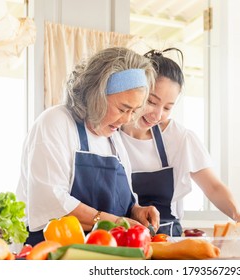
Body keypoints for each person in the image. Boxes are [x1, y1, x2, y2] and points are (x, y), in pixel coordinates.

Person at [120, 48, 240, 237]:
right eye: (152, 101)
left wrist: (238, 216)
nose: (158, 115)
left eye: (168, 107)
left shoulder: (180, 138)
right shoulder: (109, 133)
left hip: (166, 240)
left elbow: (213, 187)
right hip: (121, 237)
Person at [16, 47, 160, 246]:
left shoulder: (113, 139)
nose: (127, 119)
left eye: (134, 111)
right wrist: (116, 222)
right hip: (54, 253)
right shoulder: (55, 122)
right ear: (96, 95)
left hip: (105, 252)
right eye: (122, 109)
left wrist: (136, 211)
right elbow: (52, 202)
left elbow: (124, 199)